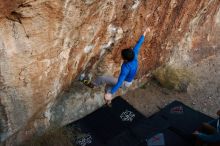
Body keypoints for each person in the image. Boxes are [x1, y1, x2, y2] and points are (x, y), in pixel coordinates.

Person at [82, 28, 150, 105]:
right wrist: (145, 32)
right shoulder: (134, 55)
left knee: (103, 78)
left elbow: (120, 82)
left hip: (124, 83)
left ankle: (91, 84)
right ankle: (108, 101)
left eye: (122, 56)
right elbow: (139, 44)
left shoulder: (126, 68)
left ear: (126, 59)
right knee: (108, 86)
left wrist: (111, 93)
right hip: (129, 81)